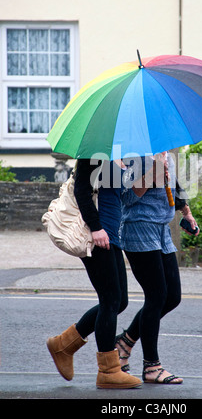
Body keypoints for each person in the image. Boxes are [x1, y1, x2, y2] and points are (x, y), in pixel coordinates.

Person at [46, 159, 141, 389]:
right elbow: (81, 189)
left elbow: (125, 197)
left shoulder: (124, 153)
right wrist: (96, 227)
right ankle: (108, 371)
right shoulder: (95, 148)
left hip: (111, 235)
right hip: (96, 234)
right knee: (110, 300)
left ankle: (63, 345)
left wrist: (148, 171)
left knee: (120, 301)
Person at [116, 152, 199, 384]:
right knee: (156, 296)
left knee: (172, 296)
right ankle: (151, 366)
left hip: (162, 230)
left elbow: (172, 183)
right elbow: (126, 198)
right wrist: (151, 173)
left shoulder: (164, 151)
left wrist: (187, 212)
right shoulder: (133, 155)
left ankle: (124, 341)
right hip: (139, 228)